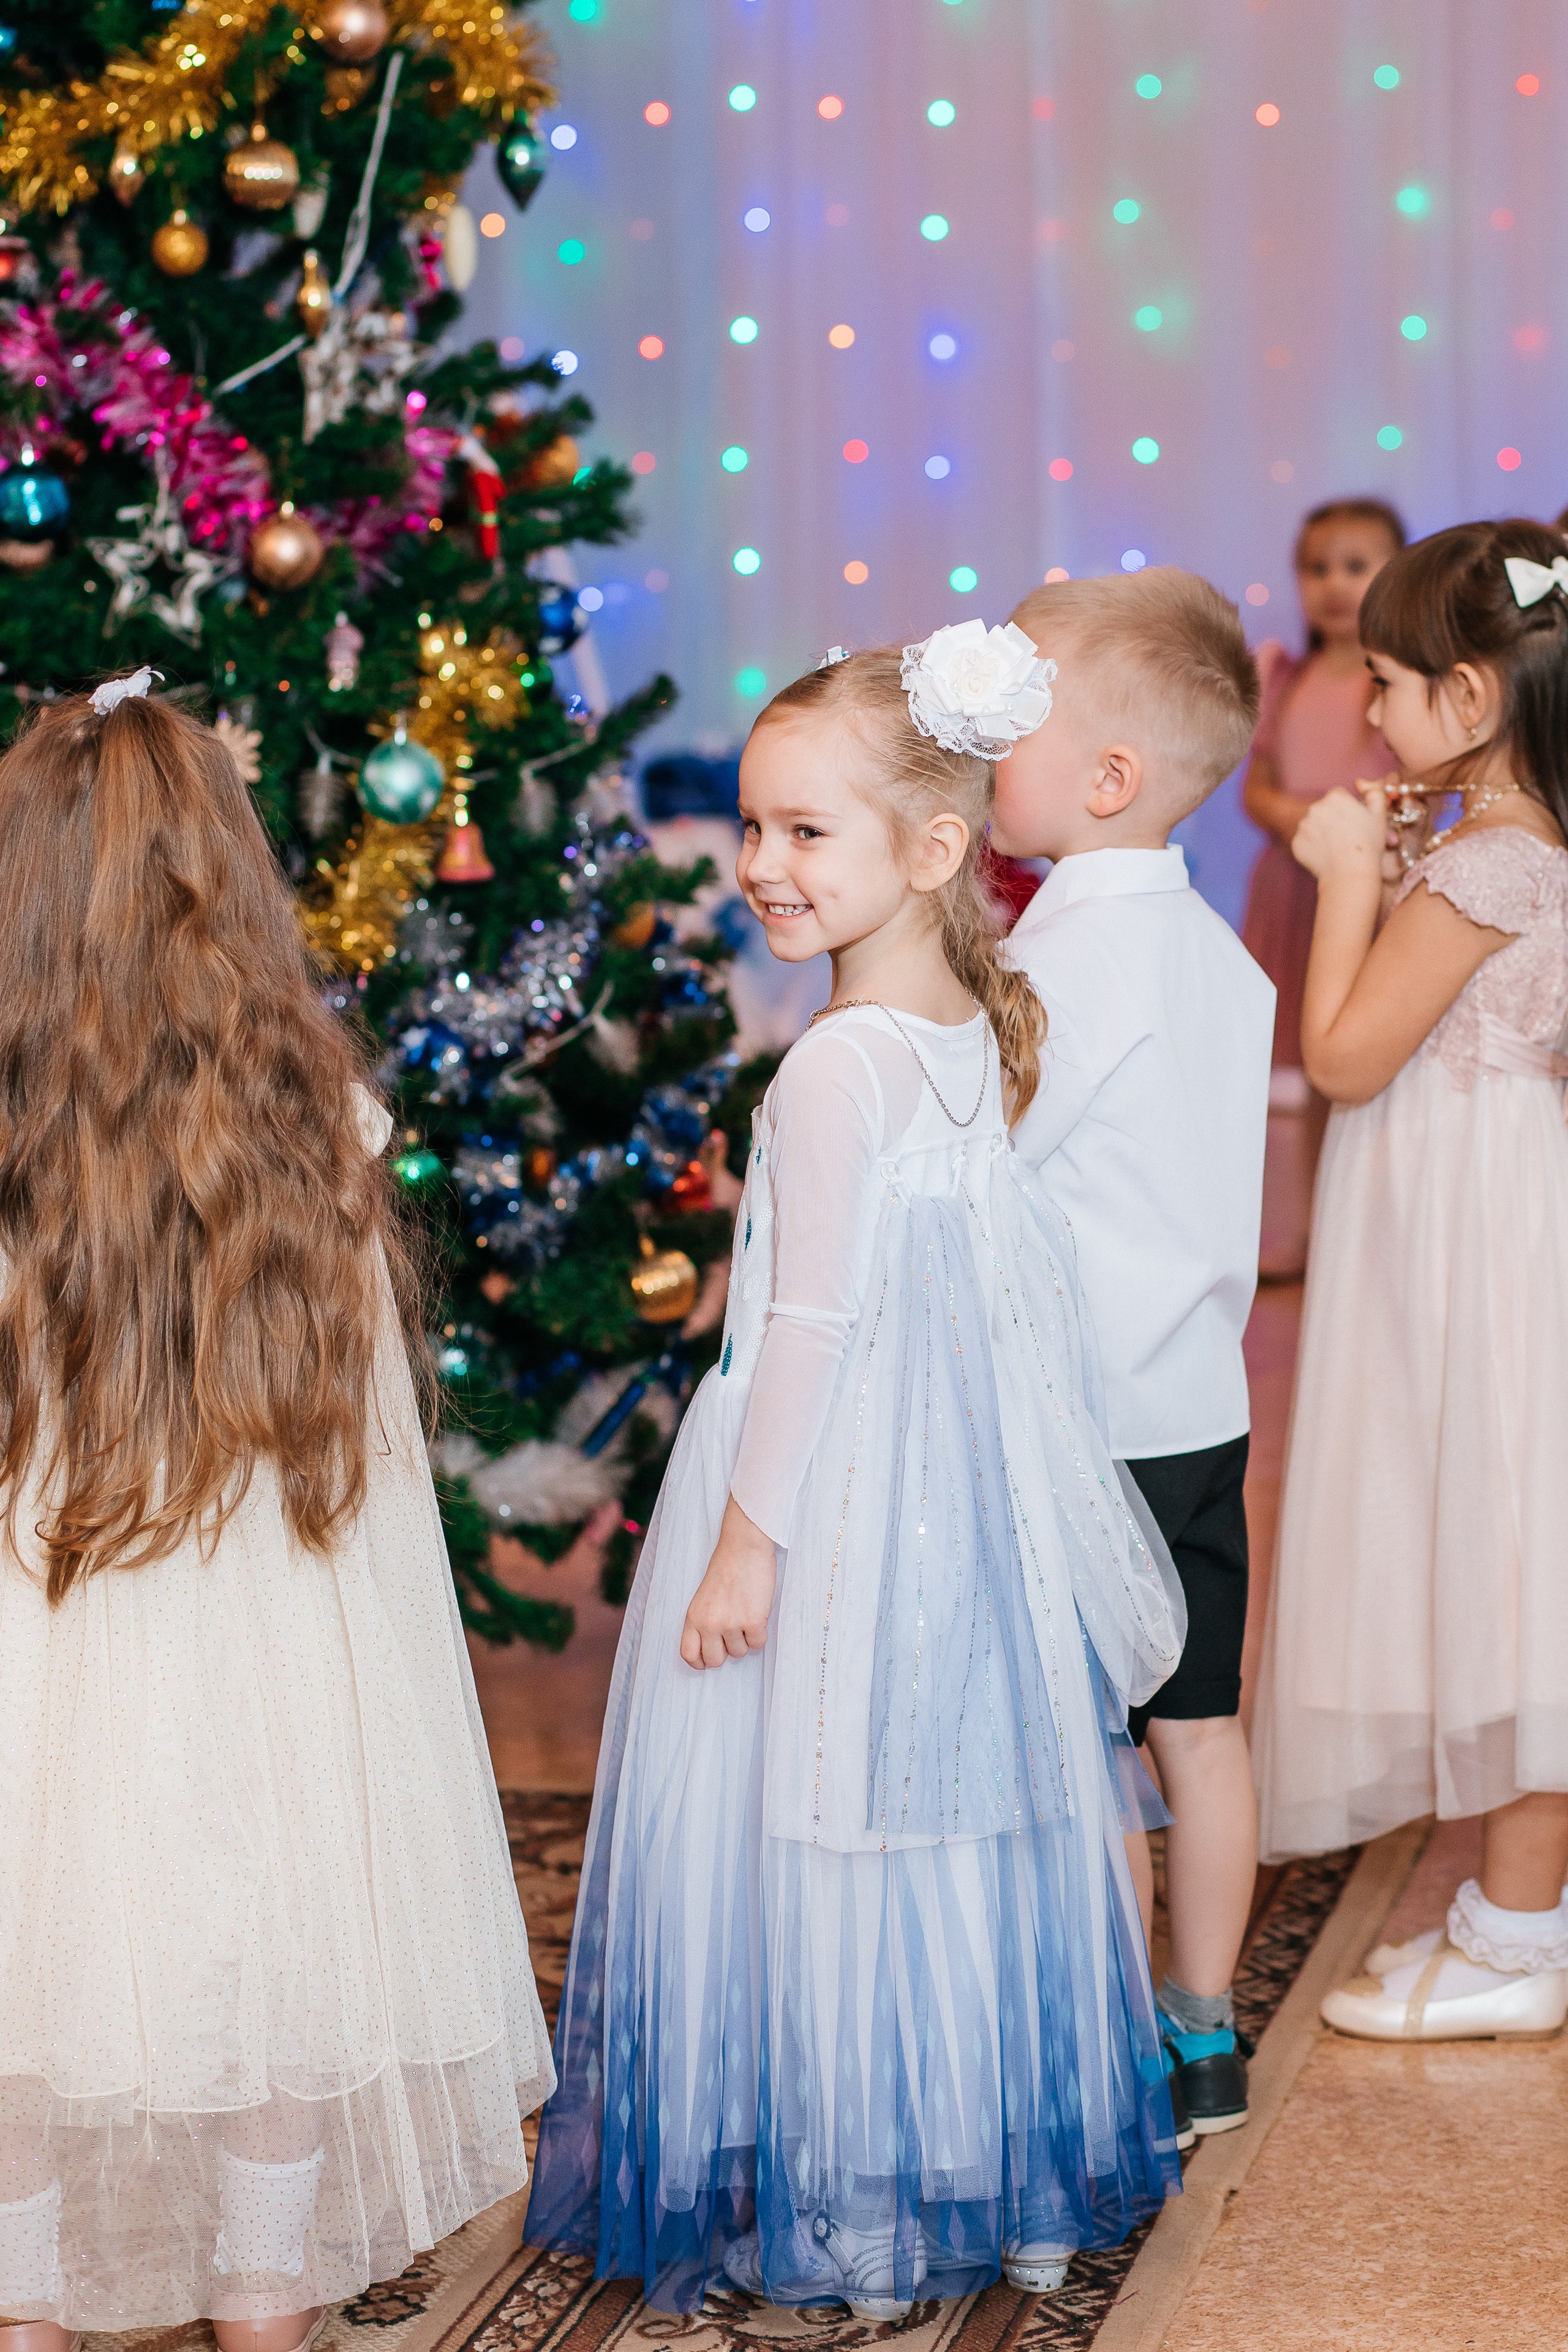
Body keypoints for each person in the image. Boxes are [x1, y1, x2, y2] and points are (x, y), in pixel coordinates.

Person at [526, 626, 1187, 2320]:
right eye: (754, 825)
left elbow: (807, 1327)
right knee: (943, 1823)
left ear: (935, 847)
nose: (762, 862)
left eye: (806, 831)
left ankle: (864, 2213)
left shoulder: (834, 1062)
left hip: (821, 1495)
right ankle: (994, 2177)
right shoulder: (961, 1024)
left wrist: (745, 1544)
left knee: (822, 1819)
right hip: (945, 1499)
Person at [0, 677, 554, 2346]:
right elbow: (359, 1426)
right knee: (277, 1949)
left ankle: (23, 2303)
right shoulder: (319, 1112)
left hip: (41, 1617)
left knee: (28, 1964)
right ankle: (262, 2288)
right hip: (265, 1630)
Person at [1253, 519, 1568, 2041]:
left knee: (1502, 1557)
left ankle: (1516, 1936)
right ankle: (1510, 1913)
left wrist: (1337, 878)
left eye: (1383, 682)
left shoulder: (1494, 861)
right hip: (1468, 1214)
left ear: (1470, 694)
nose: (1366, 711)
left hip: (1470, 1237)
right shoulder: (1499, 841)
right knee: (1490, 1546)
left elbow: (1341, 1056)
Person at [990, 570, 1273, 2140]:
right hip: (1199, 1405)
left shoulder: (1062, 963)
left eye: (1010, 728)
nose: (982, 752)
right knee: (1201, 1724)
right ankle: (1204, 2028)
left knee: (1083, 1744)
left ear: (1105, 777)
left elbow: (993, 1149)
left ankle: (1106, 2036)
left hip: (1082, 1416)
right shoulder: (1217, 955)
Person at [1240, 499, 1404, 1276]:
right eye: (1317, 568)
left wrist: (1336, 829)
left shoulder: (1396, 680)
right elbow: (1256, 788)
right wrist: (1299, 817)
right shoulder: (1284, 676)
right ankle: (1317, 1232)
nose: (1335, 584)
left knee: (1370, 1063)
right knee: (1313, 1070)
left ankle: (1382, 1238)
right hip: (1293, 887)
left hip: (1368, 887)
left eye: (1356, 566)